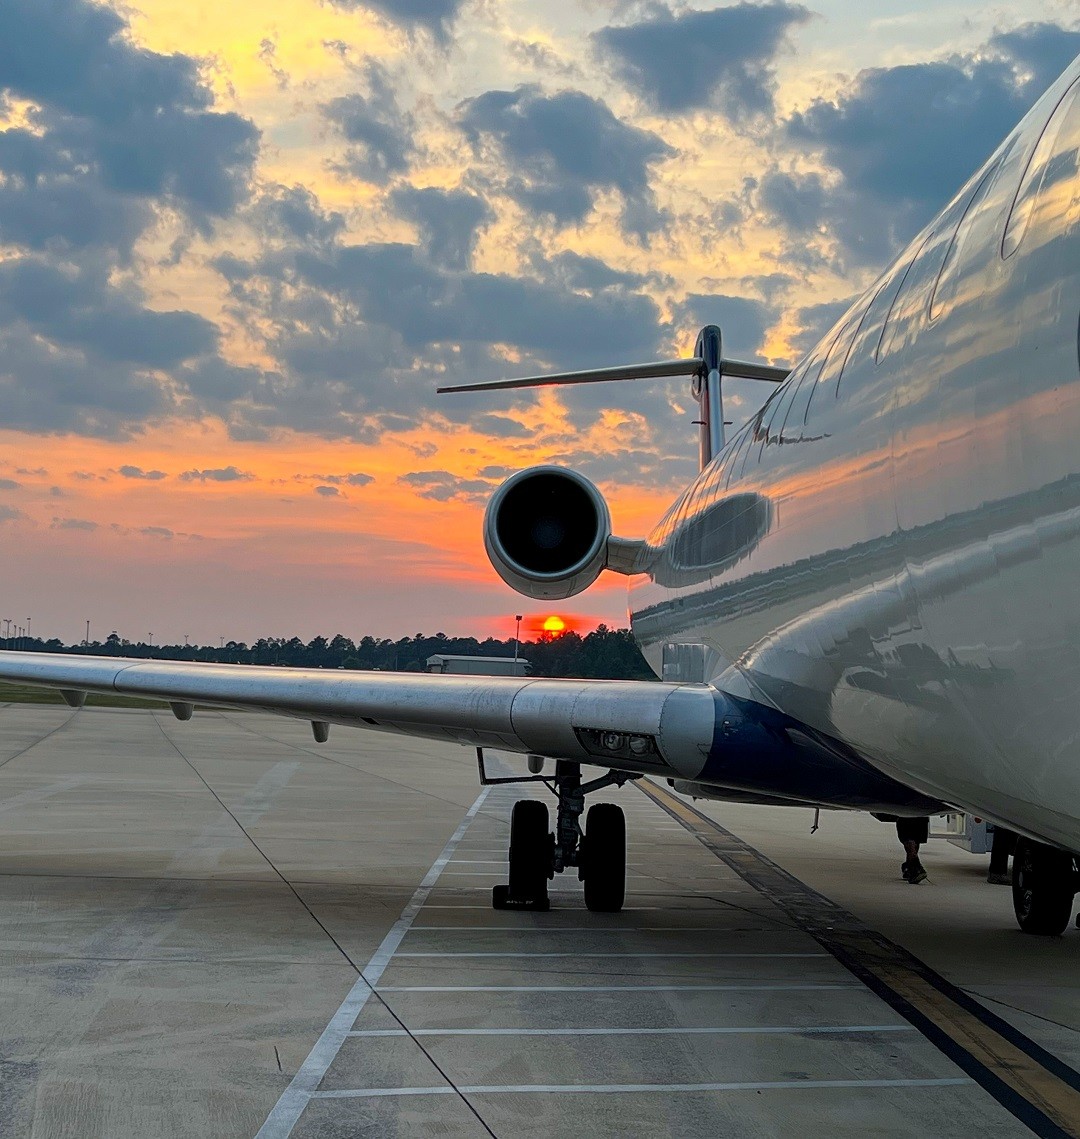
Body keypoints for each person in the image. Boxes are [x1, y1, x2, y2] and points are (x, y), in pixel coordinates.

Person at [873, 814, 930, 883]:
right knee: (915, 838)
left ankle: (915, 868)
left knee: (908, 837)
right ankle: (910, 868)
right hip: (921, 811)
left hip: (906, 813)